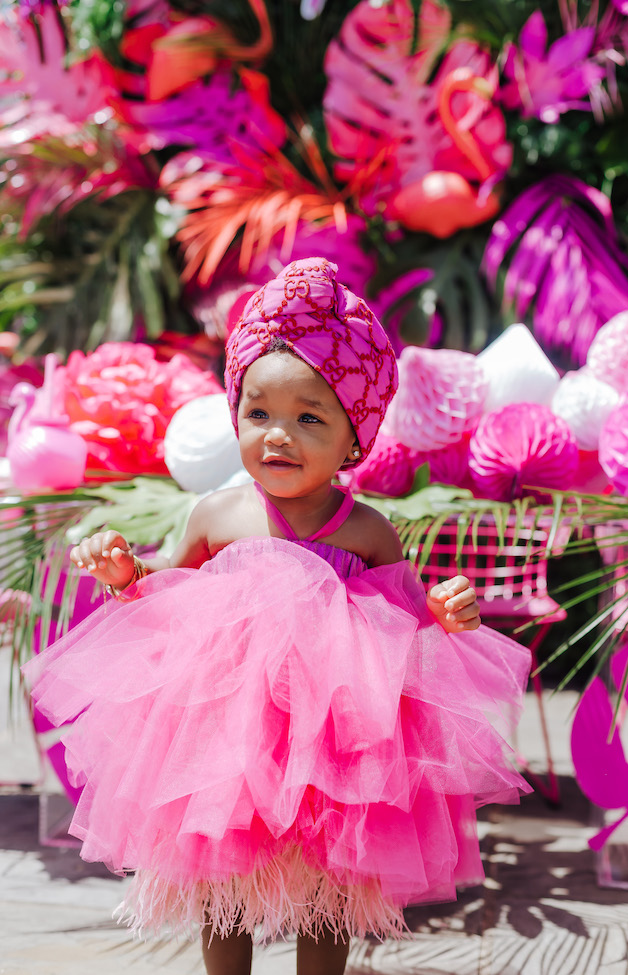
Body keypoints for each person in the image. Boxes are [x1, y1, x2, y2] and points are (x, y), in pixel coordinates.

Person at [23, 257, 531, 975]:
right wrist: (125, 575)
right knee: (223, 877)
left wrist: (445, 611)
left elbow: (406, 621)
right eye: (257, 413)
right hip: (227, 732)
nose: (277, 436)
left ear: (354, 438)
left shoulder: (366, 530)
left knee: (327, 883)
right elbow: (170, 593)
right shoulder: (219, 512)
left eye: (308, 418)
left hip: (339, 746)